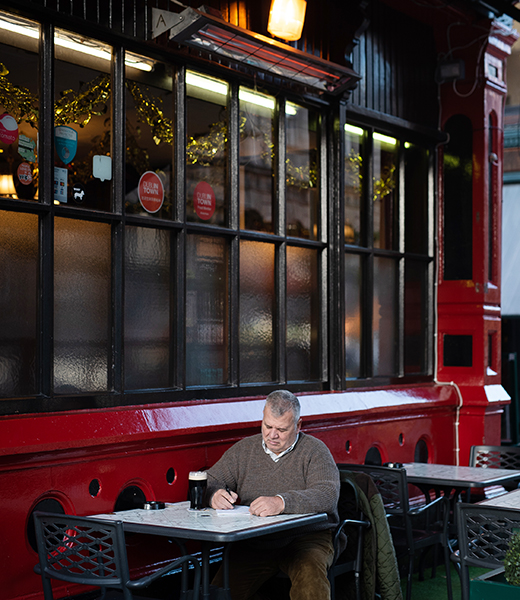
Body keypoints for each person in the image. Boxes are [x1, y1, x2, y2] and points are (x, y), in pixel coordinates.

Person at [205, 390, 341, 600]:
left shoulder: (315, 451)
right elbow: (210, 479)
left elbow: (327, 494)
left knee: (310, 575)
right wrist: (213, 494)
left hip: (306, 538)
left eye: (282, 429)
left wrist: (281, 502)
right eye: (268, 426)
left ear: (298, 426)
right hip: (257, 540)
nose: (272, 435)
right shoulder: (244, 450)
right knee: (220, 591)